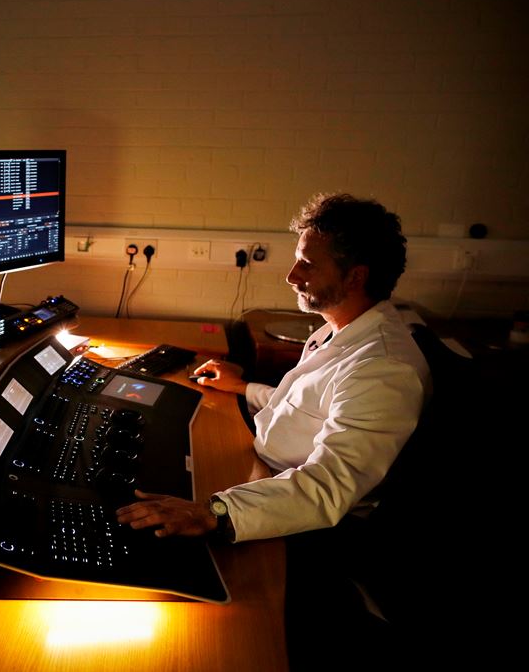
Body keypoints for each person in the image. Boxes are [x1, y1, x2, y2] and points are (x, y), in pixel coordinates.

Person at [116, 193, 431, 543]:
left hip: (303, 521)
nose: (291, 276)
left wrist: (212, 512)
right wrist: (243, 388)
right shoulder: (343, 328)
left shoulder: (383, 369)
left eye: (307, 264)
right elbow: (308, 410)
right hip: (266, 478)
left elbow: (329, 488)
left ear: (355, 278)